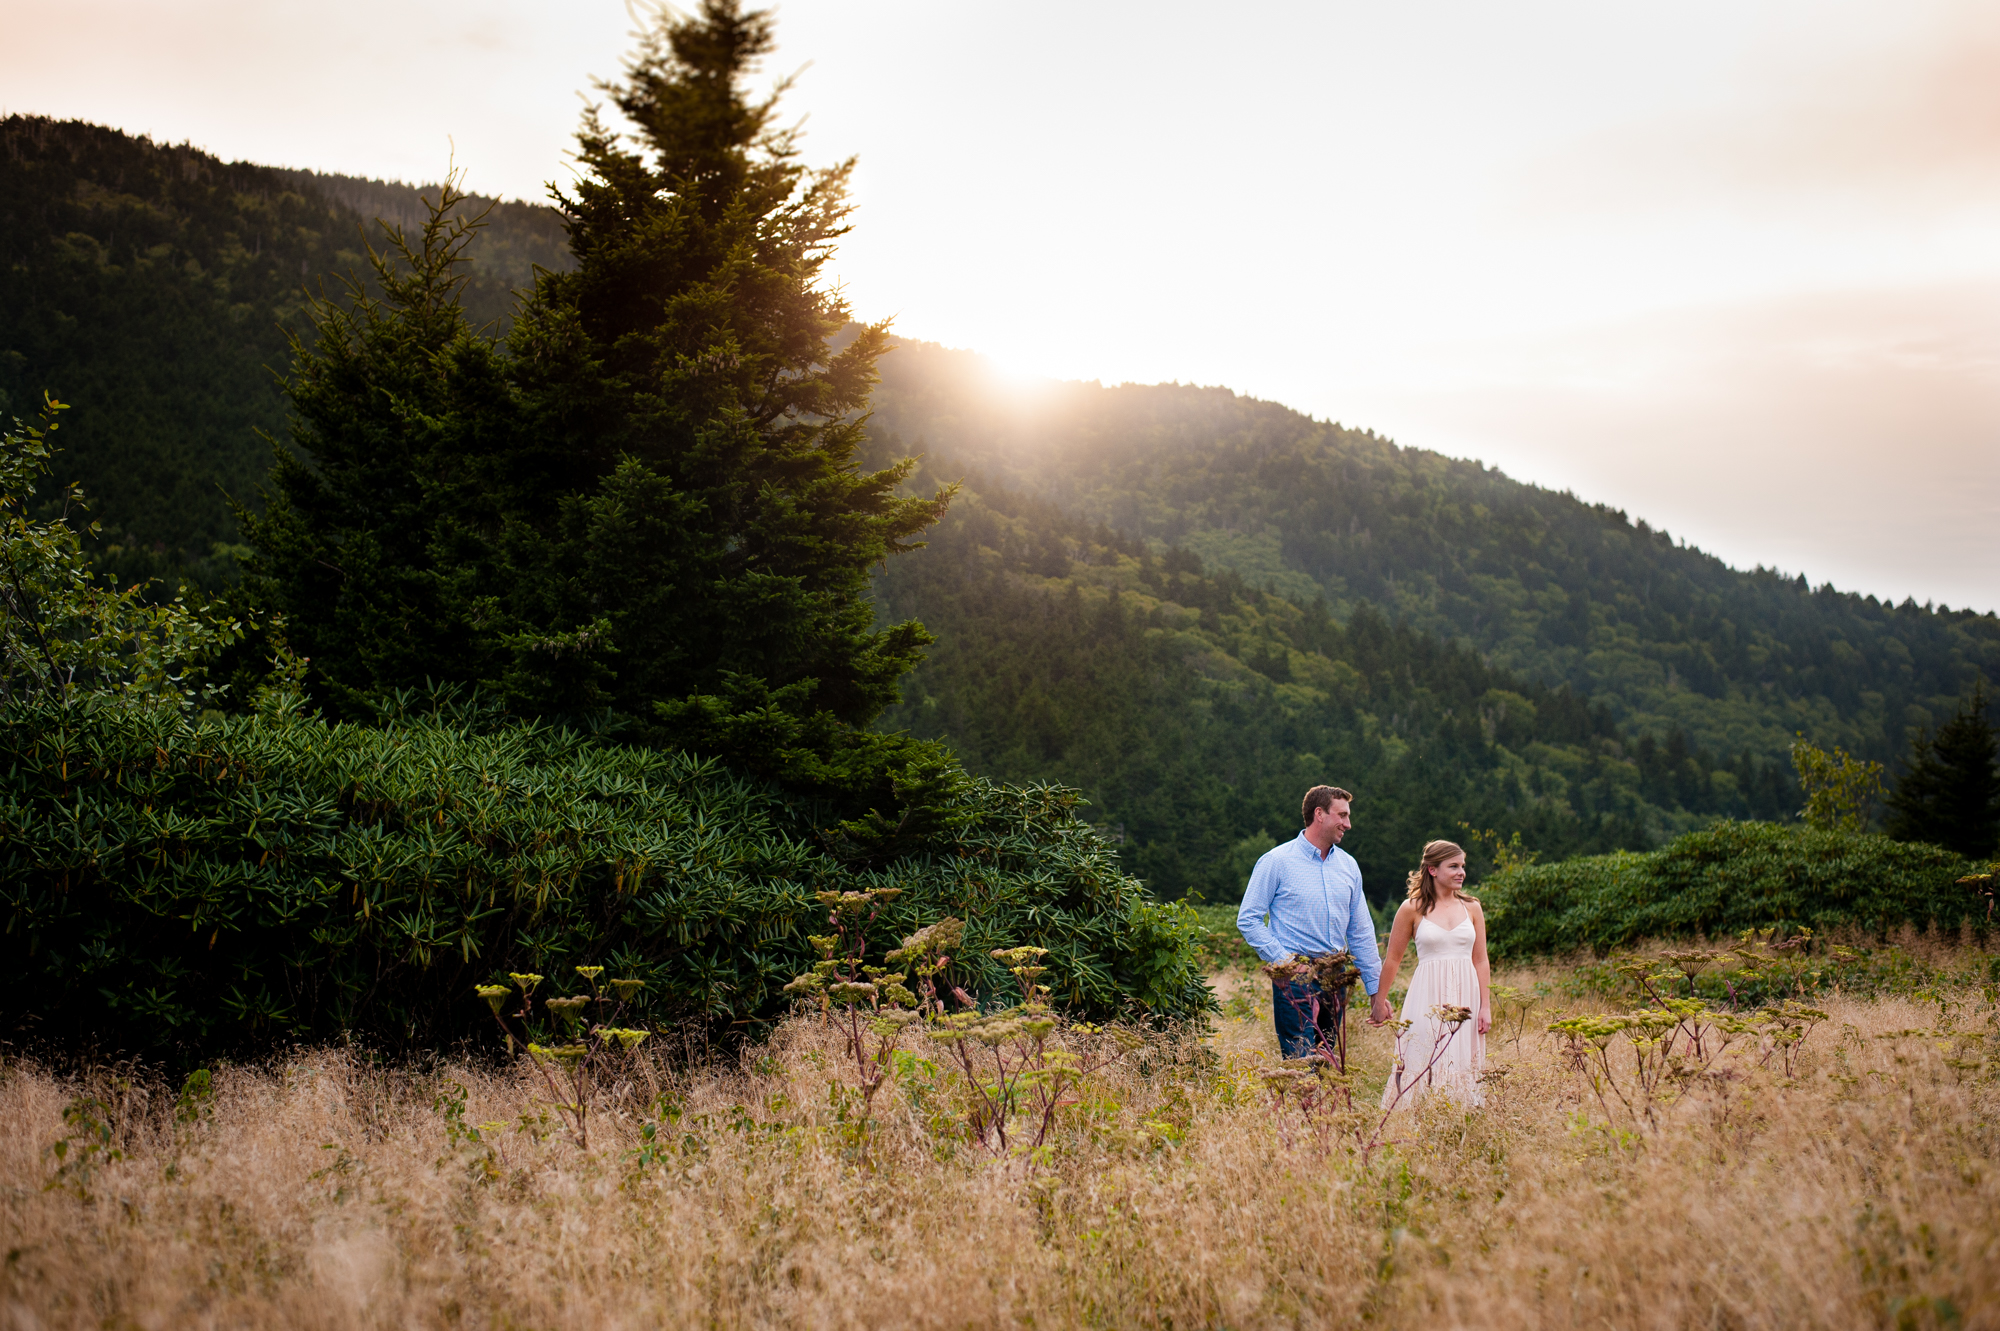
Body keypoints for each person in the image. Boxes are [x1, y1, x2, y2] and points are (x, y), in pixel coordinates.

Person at [1237, 785, 1390, 1058]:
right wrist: (1285, 962)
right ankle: (1300, 1101)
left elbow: (1361, 932)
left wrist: (1376, 990)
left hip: (1336, 975)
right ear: (1319, 814)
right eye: (1342, 815)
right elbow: (1248, 919)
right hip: (1295, 974)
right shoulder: (1276, 861)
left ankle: (1318, 1103)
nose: (1348, 824)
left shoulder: (1349, 866)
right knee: (1300, 1059)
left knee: (1326, 1058)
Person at [1375, 839, 1491, 1109]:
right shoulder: (1411, 909)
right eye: (1453, 866)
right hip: (1426, 993)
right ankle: (1417, 1110)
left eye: (1462, 866)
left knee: (1462, 1051)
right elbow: (1393, 959)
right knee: (1423, 1050)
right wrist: (1379, 1001)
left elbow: (1481, 959)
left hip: (1466, 995)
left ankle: (1461, 1112)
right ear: (1432, 870)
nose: (1461, 872)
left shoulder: (1472, 907)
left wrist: (1485, 1006)